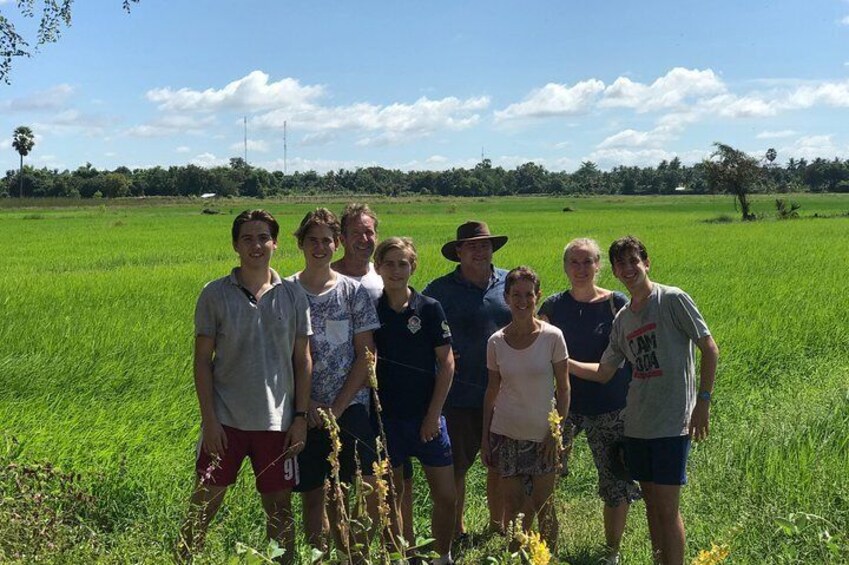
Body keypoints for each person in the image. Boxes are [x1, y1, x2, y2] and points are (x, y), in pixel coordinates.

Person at [569, 236, 719, 565]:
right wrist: (560, 359)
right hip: (636, 424)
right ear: (615, 271)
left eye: (633, 261)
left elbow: (709, 348)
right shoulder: (622, 319)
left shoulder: (671, 299)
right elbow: (605, 371)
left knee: (667, 509)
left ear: (646, 263)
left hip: (671, 422)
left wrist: (703, 402)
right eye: (620, 264)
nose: (627, 268)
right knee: (651, 506)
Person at [178, 209, 312, 564]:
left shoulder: (294, 296)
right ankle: (183, 558)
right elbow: (202, 361)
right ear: (236, 245)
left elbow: (303, 360)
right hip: (226, 422)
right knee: (205, 502)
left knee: (280, 509)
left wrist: (300, 417)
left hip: (277, 423)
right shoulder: (215, 294)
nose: (257, 245)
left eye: (264, 237)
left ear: (276, 243)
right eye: (248, 238)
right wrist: (209, 421)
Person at [538, 238, 641, 565]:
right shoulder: (553, 306)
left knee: (615, 481)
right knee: (545, 474)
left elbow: (618, 362)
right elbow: (533, 341)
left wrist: (561, 362)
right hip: (563, 406)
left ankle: (611, 552)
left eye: (587, 262)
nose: (581, 269)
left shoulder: (617, 304)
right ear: (565, 267)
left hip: (610, 406)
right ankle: (544, 547)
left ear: (599, 266)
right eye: (574, 262)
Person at [287, 208, 382, 559]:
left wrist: (337, 408)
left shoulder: (352, 292)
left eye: (327, 240)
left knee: (359, 489)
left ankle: (355, 556)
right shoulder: (285, 291)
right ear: (301, 243)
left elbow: (365, 354)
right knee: (313, 495)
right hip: (303, 412)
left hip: (350, 408)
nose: (319, 247)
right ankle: (319, 556)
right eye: (312, 240)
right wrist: (307, 405)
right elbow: (280, 357)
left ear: (337, 243)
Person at [332, 203, 416, 546]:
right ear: (342, 238)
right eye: (356, 233)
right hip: (335, 396)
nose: (364, 239)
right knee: (339, 478)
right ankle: (348, 548)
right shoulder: (329, 276)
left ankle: (401, 546)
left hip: (383, 394)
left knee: (393, 476)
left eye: (369, 232)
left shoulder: (381, 277)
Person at [422, 221, 512, 540]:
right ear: (458, 252)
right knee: (456, 466)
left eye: (484, 244)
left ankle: (497, 526)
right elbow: (420, 330)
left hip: (503, 393)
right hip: (457, 394)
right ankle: (456, 528)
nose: (479, 250)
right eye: (471, 246)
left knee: (500, 464)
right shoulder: (438, 290)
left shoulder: (509, 283)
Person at [373, 237, 457, 565]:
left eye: (403, 263)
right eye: (389, 263)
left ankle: (442, 556)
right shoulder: (372, 310)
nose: (396, 270)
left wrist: (433, 415)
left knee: (446, 496)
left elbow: (448, 363)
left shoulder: (429, 308)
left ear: (413, 267)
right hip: (388, 420)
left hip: (428, 418)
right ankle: (400, 555)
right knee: (391, 497)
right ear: (378, 267)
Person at [481, 266, 569, 553]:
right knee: (515, 509)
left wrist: (555, 432)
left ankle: (548, 557)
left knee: (544, 505)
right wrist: (486, 438)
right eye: (516, 294)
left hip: (543, 435)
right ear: (506, 297)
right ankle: (518, 556)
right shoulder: (496, 342)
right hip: (507, 433)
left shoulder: (552, 337)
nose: (522, 301)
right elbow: (492, 391)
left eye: (528, 295)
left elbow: (564, 388)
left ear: (537, 296)